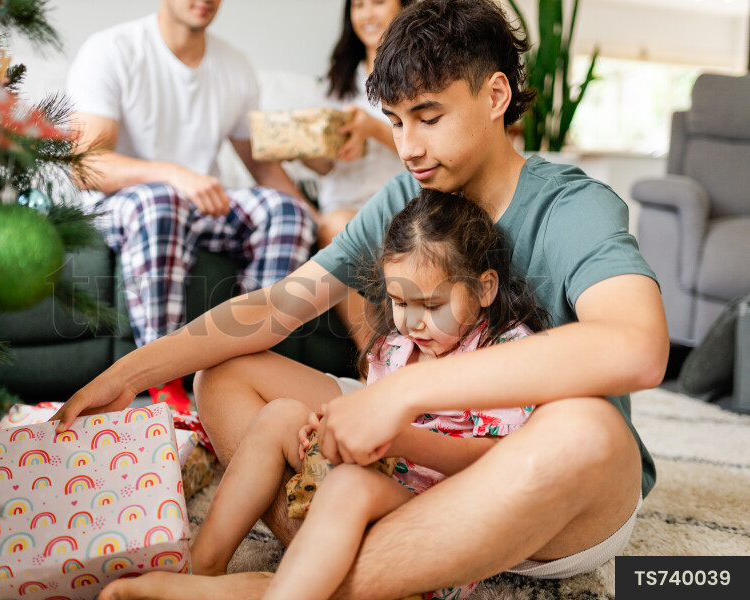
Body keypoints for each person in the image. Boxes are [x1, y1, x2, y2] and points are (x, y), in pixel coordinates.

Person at [54, 1, 669, 598]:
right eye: (396, 121)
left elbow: (638, 348)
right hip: (407, 468)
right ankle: (351, 568)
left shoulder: (572, 206)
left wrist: (403, 394)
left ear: (495, 97)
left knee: (590, 430)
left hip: (533, 487)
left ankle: (286, 587)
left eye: (429, 118)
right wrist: (129, 373)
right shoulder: (411, 194)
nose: (407, 148)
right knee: (226, 376)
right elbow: (278, 305)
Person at [189, 190, 548, 600]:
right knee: (281, 415)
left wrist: (399, 439)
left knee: (350, 487)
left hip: (438, 524)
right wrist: (328, 432)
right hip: (372, 488)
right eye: (399, 302)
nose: (412, 322)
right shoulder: (395, 347)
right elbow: (367, 421)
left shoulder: (504, 352)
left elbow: (499, 461)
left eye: (432, 305)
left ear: (484, 289)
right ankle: (206, 567)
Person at [65, 0, 316, 405]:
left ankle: (248, 359)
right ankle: (165, 383)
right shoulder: (111, 49)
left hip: (199, 205)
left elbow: (263, 168)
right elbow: (87, 166)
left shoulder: (234, 65)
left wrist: (315, 218)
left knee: (287, 213)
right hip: (127, 203)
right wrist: (175, 174)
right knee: (163, 202)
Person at [304, 0, 411, 350]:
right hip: (344, 203)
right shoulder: (338, 80)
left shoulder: (420, 73)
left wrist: (373, 128)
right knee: (334, 227)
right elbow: (326, 166)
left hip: (399, 204)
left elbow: (430, 146)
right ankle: (375, 353)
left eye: (378, 3)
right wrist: (306, 151)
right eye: (358, 5)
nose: (367, 14)